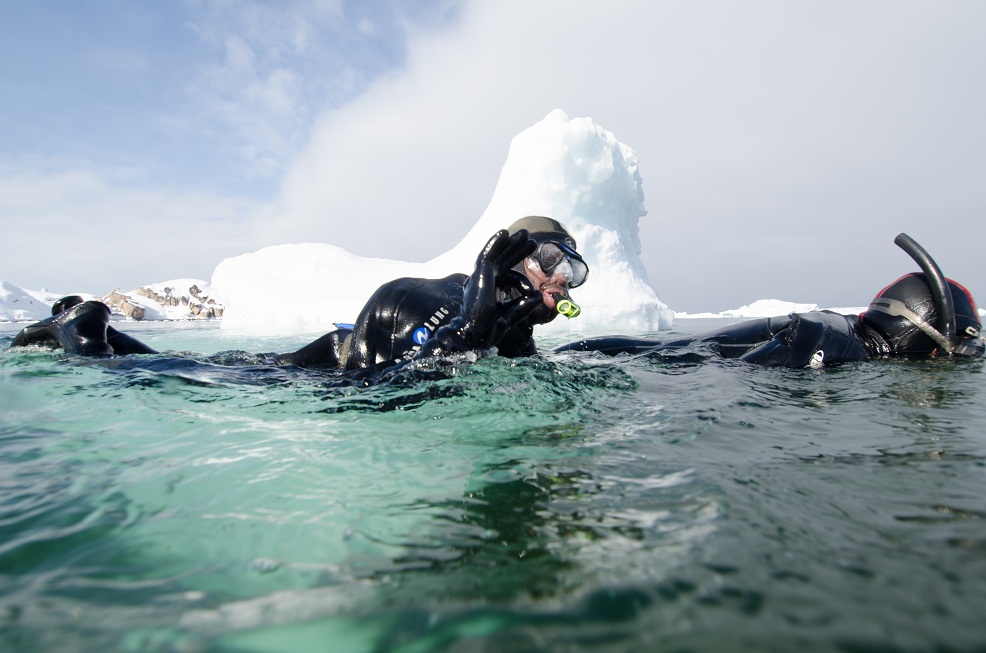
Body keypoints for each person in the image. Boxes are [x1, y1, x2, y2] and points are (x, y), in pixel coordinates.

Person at [8, 216, 591, 373]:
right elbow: (416, 368)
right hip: (336, 362)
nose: (562, 277)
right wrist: (473, 319)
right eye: (549, 260)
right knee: (191, 380)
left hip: (344, 352)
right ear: (512, 262)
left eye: (573, 268)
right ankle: (87, 337)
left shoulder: (510, 325)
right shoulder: (462, 296)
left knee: (186, 368)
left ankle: (92, 328)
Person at [557, 233, 983, 366]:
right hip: (700, 364)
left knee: (660, 350)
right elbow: (811, 331)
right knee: (667, 354)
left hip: (691, 354)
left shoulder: (847, 327)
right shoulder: (848, 337)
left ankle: (561, 355)